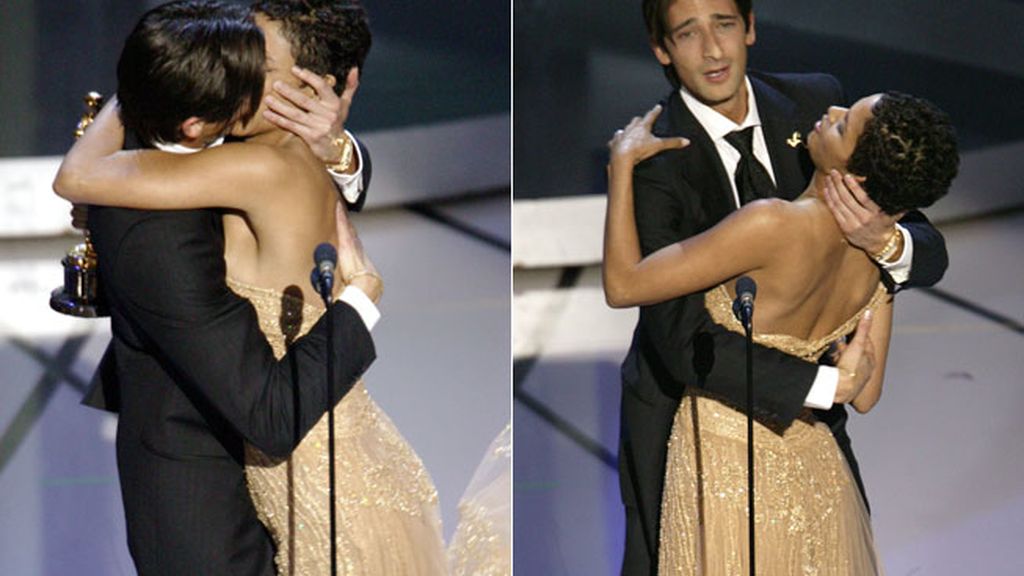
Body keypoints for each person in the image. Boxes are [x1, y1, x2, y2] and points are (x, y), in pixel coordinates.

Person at [55, 2, 450, 574]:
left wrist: (340, 153)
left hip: (310, 456)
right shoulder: (225, 122)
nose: (233, 67)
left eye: (256, 62)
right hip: (207, 474)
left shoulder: (266, 151)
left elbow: (78, 175)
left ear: (317, 90)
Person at [616, 1, 950, 573]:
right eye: (687, 32)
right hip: (690, 431)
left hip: (802, 441)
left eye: (724, 24)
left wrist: (886, 241)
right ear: (661, 48)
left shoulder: (814, 108)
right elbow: (677, 338)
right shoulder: (659, 156)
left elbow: (924, 246)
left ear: (749, 26)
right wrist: (827, 384)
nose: (713, 49)